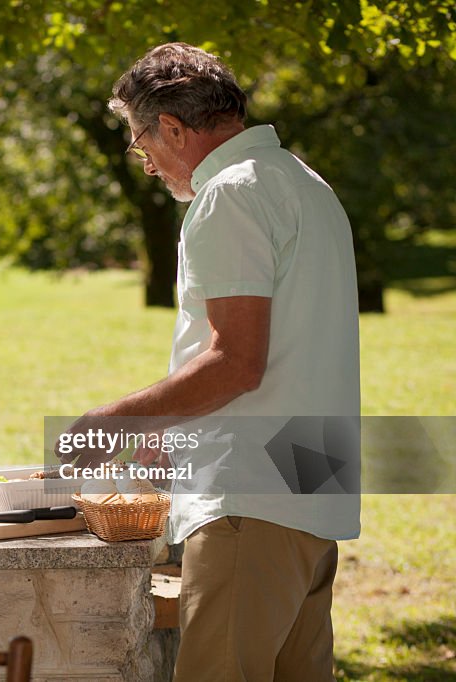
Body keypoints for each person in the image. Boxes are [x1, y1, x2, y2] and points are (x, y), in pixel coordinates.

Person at [58, 43, 360, 681]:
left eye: (141, 143)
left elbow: (235, 363)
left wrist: (112, 421)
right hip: (311, 484)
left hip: (252, 500)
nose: (146, 163)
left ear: (171, 126)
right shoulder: (304, 183)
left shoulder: (229, 194)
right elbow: (288, 356)